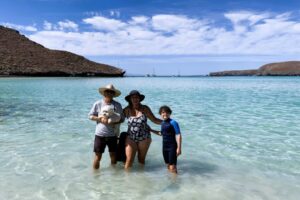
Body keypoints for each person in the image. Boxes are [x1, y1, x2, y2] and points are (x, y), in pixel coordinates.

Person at [123, 90, 162, 169]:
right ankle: (126, 180)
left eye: (137, 97)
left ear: (139, 99)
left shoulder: (145, 108)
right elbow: (118, 120)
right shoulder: (126, 110)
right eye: (133, 97)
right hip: (130, 137)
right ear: (130, 99)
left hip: (144, 138)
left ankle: (141, 178)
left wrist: (168, 122)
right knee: (129, 160)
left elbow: (155, 120)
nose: (135, 99)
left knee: (141, 160)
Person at [88, 84, 123, 169]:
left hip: (113, 135)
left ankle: (113, 176)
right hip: (100, 134)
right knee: (98, 157)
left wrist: (114, 121)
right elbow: (90, 116)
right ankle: (95, 178)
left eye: (111, 92)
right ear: (104, 93)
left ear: (114, 94)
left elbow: (122, 119)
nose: (109, 93)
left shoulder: (117, 105)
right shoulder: (97, 103)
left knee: (113, 156)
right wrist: (100, 119)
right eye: (107, 91)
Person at [154, 105, 182, 173]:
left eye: (167, 112)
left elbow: (178, 135)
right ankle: (171, 180)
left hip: (172, 147)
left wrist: (179, 148)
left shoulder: (173, 122)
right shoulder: (163, 123)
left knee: (172, 166)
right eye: (163, 112)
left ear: (170, 113)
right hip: (164, 147)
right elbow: (162, 134)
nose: (165, 114)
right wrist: (151, 130)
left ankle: (175, 181)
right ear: (160, 114)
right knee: (168, 165)